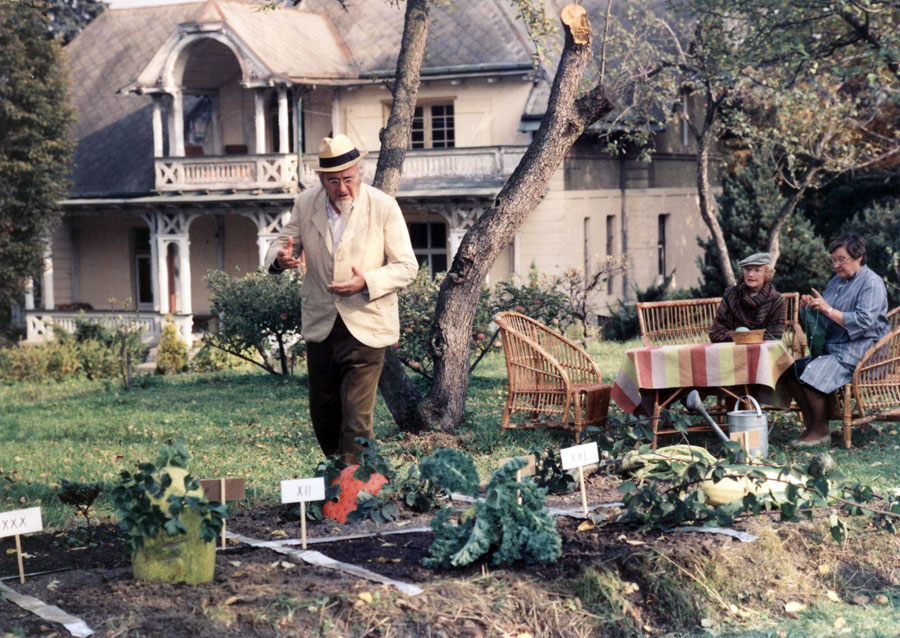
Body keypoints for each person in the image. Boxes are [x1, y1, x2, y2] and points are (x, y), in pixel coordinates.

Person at [265, 134, 418, 463]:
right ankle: (342, 478)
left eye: (348, 179)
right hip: (322, 324)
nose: (342, 188)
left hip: (367, 324)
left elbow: (407, 266)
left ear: (359, 172)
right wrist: (281, 259)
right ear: (321, 179)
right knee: (324, 413)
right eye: (333, 181)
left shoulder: (382, 206)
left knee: (356, 417)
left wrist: (366, 281)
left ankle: (359, 491)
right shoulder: (306, 204)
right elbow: (281, 244)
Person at [784, 233, 889, 446]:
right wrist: (812, 304)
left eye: (842, 259)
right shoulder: (837, 281)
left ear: (858, 256)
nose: (836, 265)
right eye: (833, 260)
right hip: (837, 348)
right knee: (792, 372)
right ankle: (812, 426)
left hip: (863, 351)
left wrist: (827, 309)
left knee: (811, 374)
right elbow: (826, 311)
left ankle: (822, 431)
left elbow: (864, 323)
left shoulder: (871, 283)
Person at [709, 252, 786, 342]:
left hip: (763, 353)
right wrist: (738, 337)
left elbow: (774, 337)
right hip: (732, 350)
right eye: (747, 269)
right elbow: (716, 331)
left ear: (766, 275)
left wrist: (747, 338)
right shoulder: (731, 294)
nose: (750, 274)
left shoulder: (776, 300)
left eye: (757, 270)